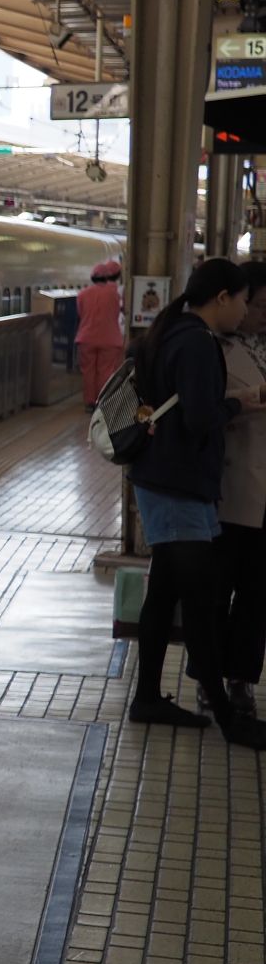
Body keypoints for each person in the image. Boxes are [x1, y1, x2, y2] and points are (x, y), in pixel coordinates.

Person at [128, 257, 266, 747]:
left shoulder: (175, 332)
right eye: (243, 301)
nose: (245, 311)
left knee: (165, 595)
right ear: (222, 298)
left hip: (163, 480)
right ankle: (228, 719)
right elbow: (200, 418)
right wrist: (240, 403)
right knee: (201, 605)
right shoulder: (197, 343)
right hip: (178, 486)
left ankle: (147, 696)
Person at [215, 259, 266, 718]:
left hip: (263, 491)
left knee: (257, 596)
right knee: (219, 590)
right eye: (258, 304)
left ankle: (242, 680)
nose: (262, 314)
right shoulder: (215, 348)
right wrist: (247, 402)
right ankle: (208, 678)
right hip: (230, 489)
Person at [75, 260, 125, 409]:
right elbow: (119, 312)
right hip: (110, 338)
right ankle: (102, 402)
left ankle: (89, 402)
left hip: (86, 338)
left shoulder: (82, 294)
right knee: (106, 371)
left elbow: (80, 314)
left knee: (88, 372)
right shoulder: (114, 294)